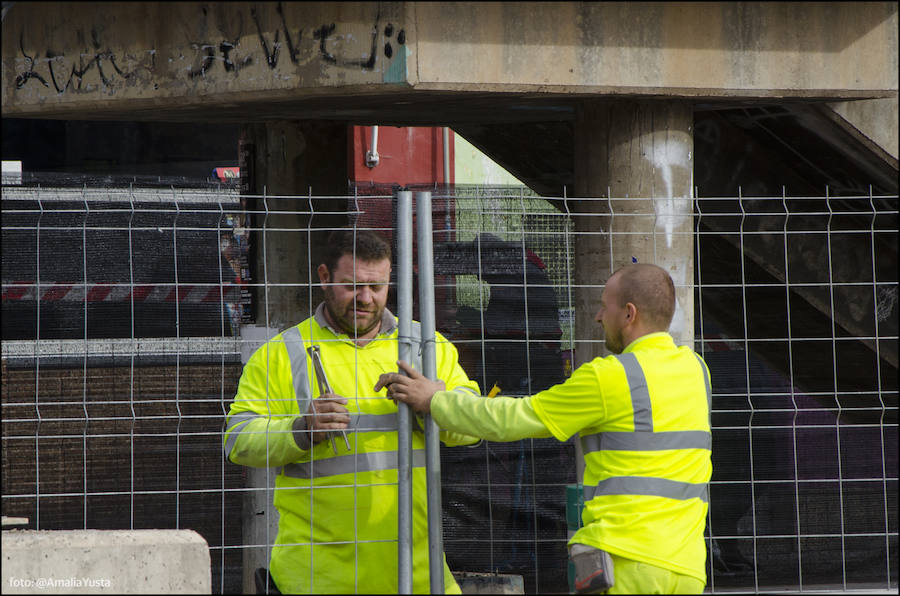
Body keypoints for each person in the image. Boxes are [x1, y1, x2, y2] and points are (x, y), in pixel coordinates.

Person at [376, 263, 713, 594]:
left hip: (626, 561)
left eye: (603, 306)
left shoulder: (608, 377)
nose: (597, 317)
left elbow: (515, 418)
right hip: (687, 566)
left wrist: (435, 400)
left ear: (629, 314)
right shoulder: (697, 370)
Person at [223, 228, 481, 594]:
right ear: (324, 277)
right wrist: (302, 430)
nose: (365, 298)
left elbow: (472, 428)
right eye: (353, 285)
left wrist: (432, 402)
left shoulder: (427, 347)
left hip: (416, 574)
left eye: (377, 287)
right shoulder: (282, 353)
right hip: (317, 578)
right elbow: (237, 440)